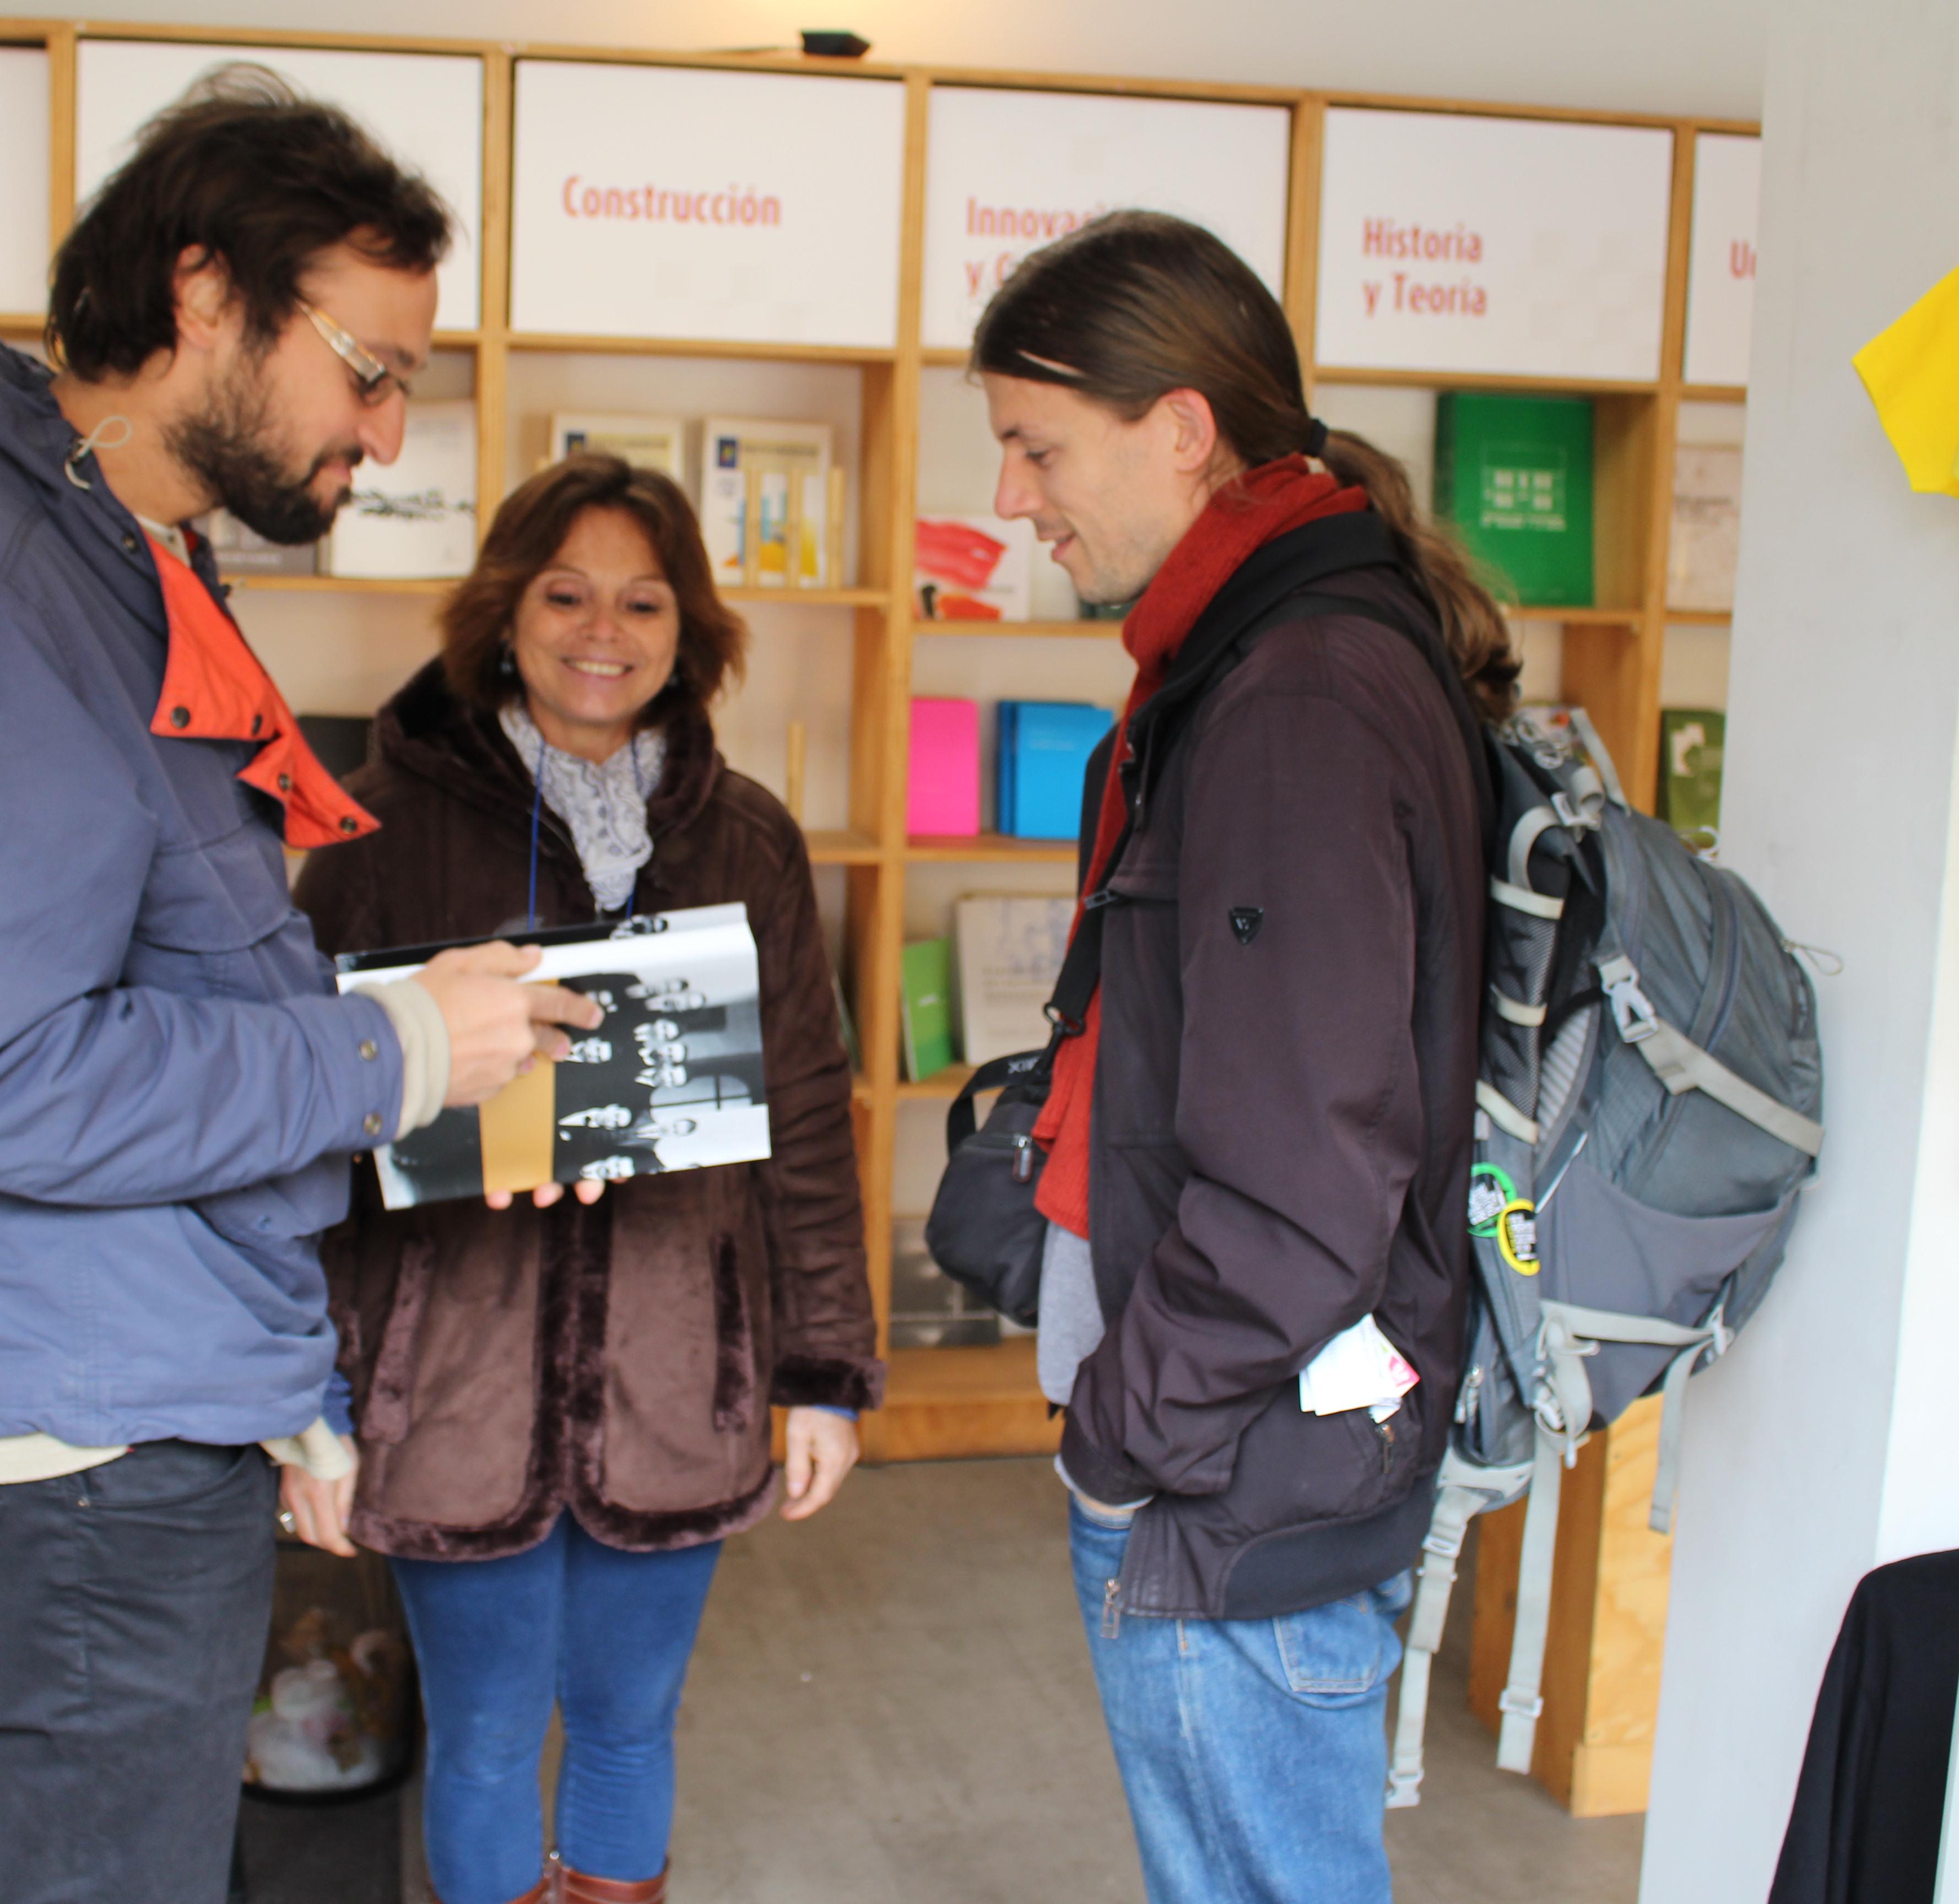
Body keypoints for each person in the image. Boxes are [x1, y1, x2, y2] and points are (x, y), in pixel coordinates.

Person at [0, 71, 599, 1904]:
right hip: (80, 1439)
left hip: (144, 1385)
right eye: (368, 370)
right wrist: (391, 1046)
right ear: (207, 297)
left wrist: (281, 1368)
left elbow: (176, 969)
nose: (387, 438)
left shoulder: (120, 561)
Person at [971, 212, 1514, 1904]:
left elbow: (1305, 1174)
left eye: (1036, 446)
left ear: (1182, 428)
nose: (1014, 500)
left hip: (1230, 1477)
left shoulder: (1296, 694)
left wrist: (1126, 1437)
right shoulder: (1269, 655)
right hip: (1245, 1450)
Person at [294, 453, 881, 1904]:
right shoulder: (376, 830)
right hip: (447, 1379)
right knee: (487, 1736)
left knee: (627, 1725)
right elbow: (303, 1130)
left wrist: (820, 1370)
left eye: (641, 599)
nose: (600, 630)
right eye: (564, 595)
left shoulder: (747, 840)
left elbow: (805, 1115)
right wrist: (305, 1394)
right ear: (505, 612)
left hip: (680, 1371)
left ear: (690, 631)